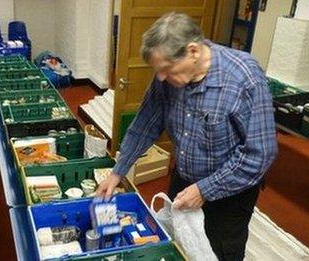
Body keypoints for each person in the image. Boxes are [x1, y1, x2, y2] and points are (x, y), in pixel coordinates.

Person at [96, 12, 278, 260]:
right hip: (184, 179)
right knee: (178, 244)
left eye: (166, 69)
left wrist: (205, 190)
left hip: (231, 192)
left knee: (219, 252)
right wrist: (118, 171)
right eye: (157, 71)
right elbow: (145, 124)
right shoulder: (167, 77)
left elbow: (259, 154)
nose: (160, 77)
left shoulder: (244, 77)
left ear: (193, 51)